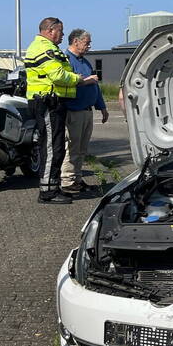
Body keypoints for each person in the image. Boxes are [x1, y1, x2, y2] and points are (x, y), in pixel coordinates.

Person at [24, 17, 98, 205]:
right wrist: (77, 79)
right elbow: (57, 75)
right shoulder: (43, 48)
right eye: (61, 31)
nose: (63, 35)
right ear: (50, 30)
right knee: (51, 148)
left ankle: (53, 187)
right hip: (47, 101)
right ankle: (48, 192)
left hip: (54, 102)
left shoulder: (51, 48)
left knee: (56, 147)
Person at [60, 29, 108, 195]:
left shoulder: (85, 62)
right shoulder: (66, 61)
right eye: (87, 42)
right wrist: (87, 81)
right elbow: (66, 82)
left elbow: (95, 86)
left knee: (81, 149)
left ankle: (77, 179)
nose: (89, 46)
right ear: (75, 42)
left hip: (86, 111)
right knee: (72, 147)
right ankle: (67, 180)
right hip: (74, 110)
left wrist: (102, 107)